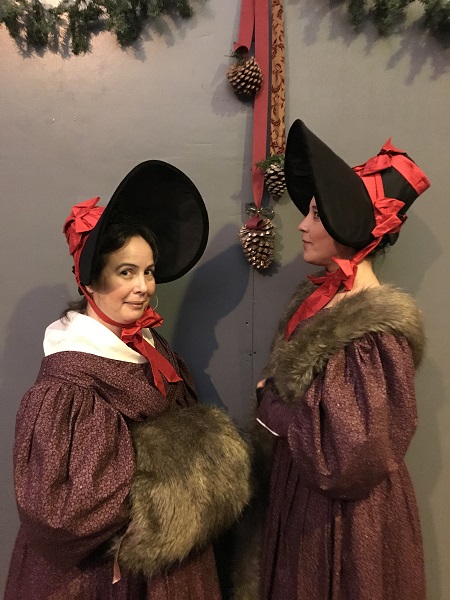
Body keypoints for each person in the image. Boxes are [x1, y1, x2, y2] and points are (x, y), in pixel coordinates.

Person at [5, 160, 252, 600]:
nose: (143, 287)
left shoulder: (153, 350)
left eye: (149, 271)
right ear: (90, 281)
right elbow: (60, 511)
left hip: (175, 563)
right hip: (102, 574)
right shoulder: (67, 386)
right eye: (126, 272)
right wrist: (179, 480)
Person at [234, 120, 431, 600]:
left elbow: (349, 457)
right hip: (303, 499)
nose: (301, 224)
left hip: (343, 520)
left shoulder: (373, 333)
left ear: (349, 224)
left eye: (318, 215)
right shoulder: (322, 300)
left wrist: (273, 407)